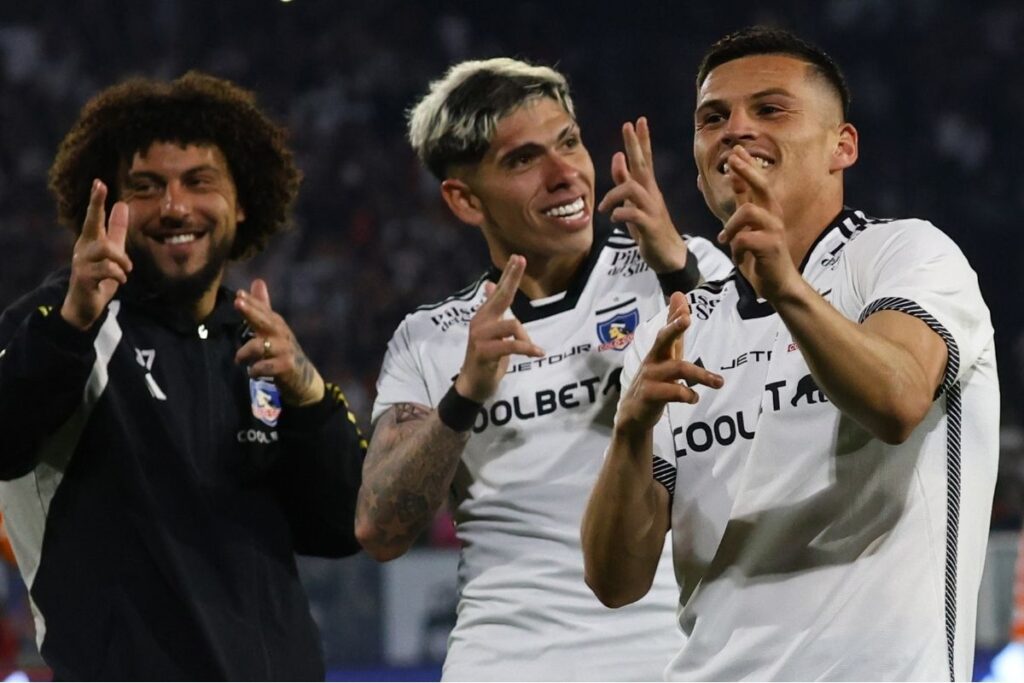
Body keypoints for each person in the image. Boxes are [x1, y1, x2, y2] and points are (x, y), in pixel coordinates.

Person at [581, 26, 999, 681]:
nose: (735, 129)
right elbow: (615, 580)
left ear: (843, 146)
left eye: (770, 109)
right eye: (712, 118)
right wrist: (629, 431)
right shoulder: (679, 328)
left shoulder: (903, 255)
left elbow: (898, 399)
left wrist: (785, 288)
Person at [355, 58, 732, 680]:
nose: (564, 175)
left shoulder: (681, 270)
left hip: (675, 657)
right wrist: (465, 395)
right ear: (464, 197)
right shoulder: (431, 339)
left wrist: (678, 272)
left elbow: (761, 403)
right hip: (504, 663)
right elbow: (381, 530)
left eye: (570, 142)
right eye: (522, 160)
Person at [0, 72, 366, 680]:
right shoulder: (65, 321)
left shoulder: (259, 346)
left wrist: (310, 398)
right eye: (147, 187)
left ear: (241, 201)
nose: (175, 206)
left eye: (199, 182)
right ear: (113, 207)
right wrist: (70, 327)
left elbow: (348, 525)